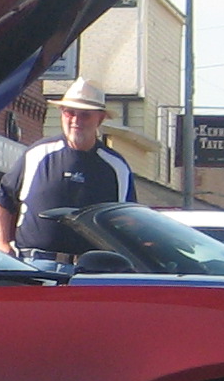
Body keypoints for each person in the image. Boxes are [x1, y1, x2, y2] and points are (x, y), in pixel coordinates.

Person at [13, 79, 139, 257]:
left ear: (100, 118)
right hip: (35, 265)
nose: (75, 120)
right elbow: (2, 198)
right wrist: (1, 244)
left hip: (93, 271)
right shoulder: (37, 154)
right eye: (69, 112)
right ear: (61, 114)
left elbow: (129, 221)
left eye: (85, 115)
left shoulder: (116, 167)